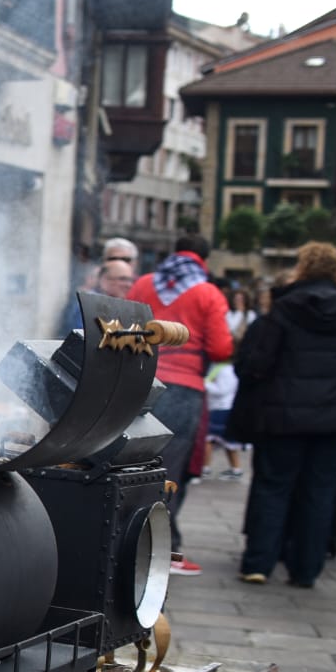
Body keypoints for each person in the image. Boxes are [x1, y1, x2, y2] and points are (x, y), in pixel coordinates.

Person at [233, 242, 336, 588]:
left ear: (303, 269)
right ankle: (305, 569)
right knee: (320, 491)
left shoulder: (284, 310)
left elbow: (256, 364)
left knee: (273, 487)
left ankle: (259, 563)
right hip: (335, 420)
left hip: (283, 416)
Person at [128, 234, 233, 576]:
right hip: (183, 390)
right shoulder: (208, 293)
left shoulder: (144, 283)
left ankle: (127, 536)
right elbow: (221, 349)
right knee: (171, 468)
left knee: (133, 463)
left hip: (141, 382)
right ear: (204, 258)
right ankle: (160, 546)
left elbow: (125, 326)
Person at [61, 238, 139, 331]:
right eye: (113, 259)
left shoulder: (141, 288)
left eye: (125, 259)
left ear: (135, 263)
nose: (127, 284)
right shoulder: (88, 295)